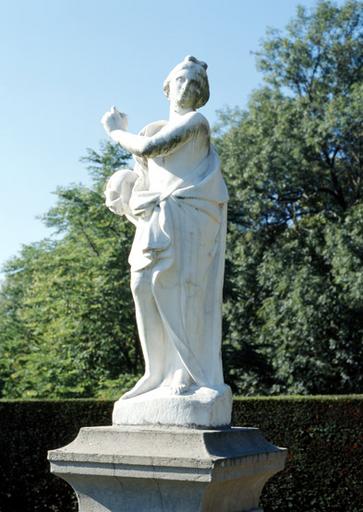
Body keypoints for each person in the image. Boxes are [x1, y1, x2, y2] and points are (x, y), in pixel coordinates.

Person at [102, 56, 228, 399]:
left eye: (194, 85)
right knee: (142, 284)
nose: (186, 88)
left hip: (190, 215)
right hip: (158, 215)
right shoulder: (152, 128)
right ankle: (154, 371)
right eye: (181, 81)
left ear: (201, 95)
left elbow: (151, 149)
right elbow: (145, 175)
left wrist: (114, 131)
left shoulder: (196, 122)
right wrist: (124, 183)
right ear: (168, 86)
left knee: (182, 289)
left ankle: (185, 371)